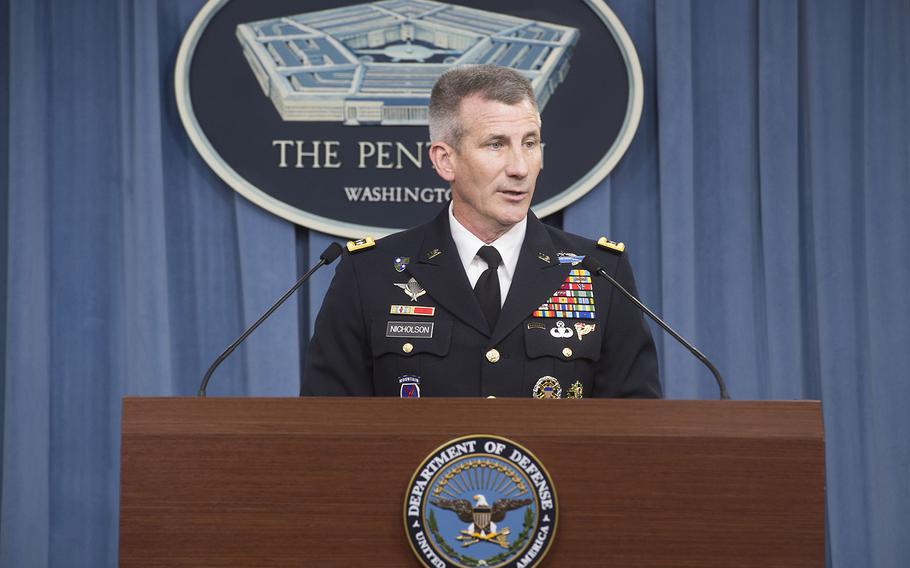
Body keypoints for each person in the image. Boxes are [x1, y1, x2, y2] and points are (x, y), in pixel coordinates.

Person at [302, 65, 660, 399]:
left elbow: (636, 435)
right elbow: (327, 431)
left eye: (530, 143)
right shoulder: (368, 274)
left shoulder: (599, 273)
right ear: (446, 160)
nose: (520, 167)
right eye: (496, 144)